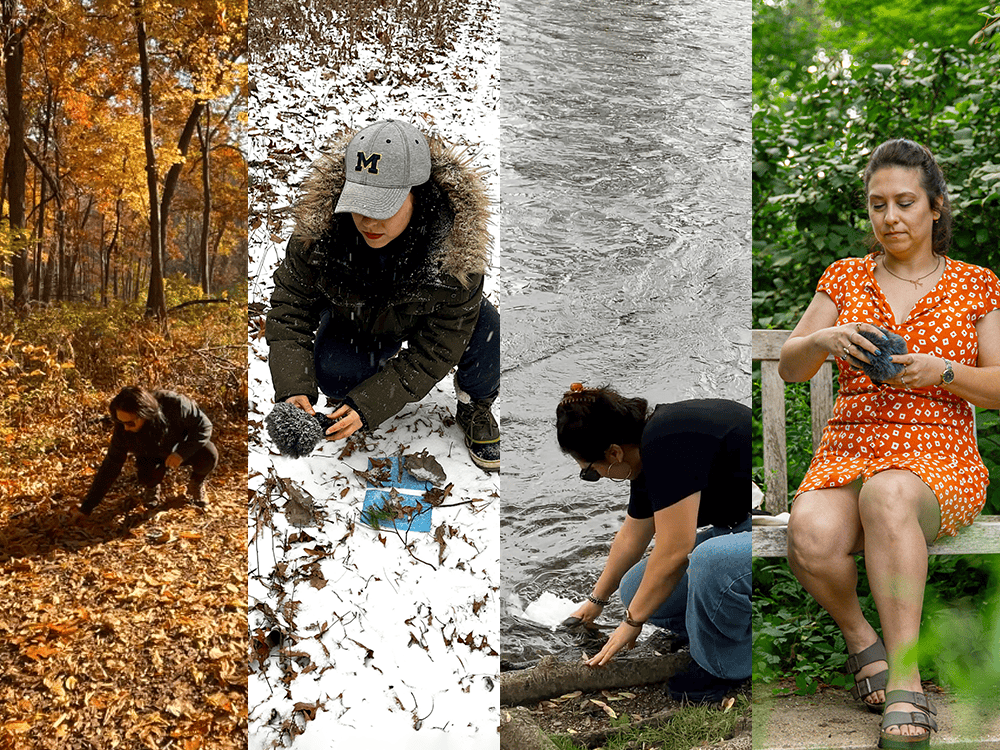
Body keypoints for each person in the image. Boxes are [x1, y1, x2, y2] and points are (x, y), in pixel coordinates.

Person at [778, 138, 1000, 749]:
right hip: (851, 447)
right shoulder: (845, 277)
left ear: (935, 208)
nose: (891, 217)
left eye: (905, 202)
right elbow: (790, 368)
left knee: (889, 495)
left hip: (940, 453)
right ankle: (861, 639)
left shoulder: (977, 286)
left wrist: (943, 372)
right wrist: (828, 338)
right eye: (878, 205)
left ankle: (906, 679)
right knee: (811, 538)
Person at [265, 119, 500, 471]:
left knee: (488, 330)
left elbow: (435, 351)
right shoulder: (319, 234)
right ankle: (358, 371)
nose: (369, 221)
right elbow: (289, 310)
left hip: (427, 315)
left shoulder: (456, 256)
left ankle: (475, 403)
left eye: (384, 206)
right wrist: (292, 387)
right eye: (359, 203)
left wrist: (371, 404)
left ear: (418, 195)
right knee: (334, 375)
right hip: (358, 319)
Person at [558, 385, 752, 702]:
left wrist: (632, 622)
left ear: (614, 453)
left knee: (708, 560)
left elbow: (676, 551)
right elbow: (632, 536)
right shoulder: (649, 449)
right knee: (634, 588)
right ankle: (711, 631)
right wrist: (596, 601)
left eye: (590, 473)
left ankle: (723, 664)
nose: (598, 478)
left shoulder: (667, 442)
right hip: (735, 529)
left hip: (764, 528)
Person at [79, 386, 217, 515]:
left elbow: (204, 426)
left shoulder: (176, 404)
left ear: (144, 414)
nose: (125, 428)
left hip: (181, 446)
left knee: (209, 455)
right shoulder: (123, 428)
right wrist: (87, 507)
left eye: (130, 423)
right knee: (146, 474)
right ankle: (152, 487)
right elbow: (111, 465)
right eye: (120, 422)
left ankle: (196, 483)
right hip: (151, 455)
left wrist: (182, 453)